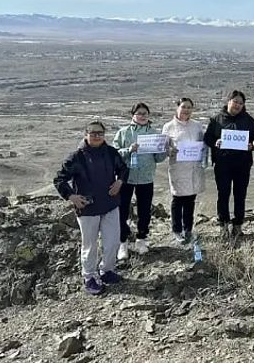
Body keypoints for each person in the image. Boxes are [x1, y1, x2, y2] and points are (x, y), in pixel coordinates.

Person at [53, 121, 128, 295]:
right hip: (87, 209)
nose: (96, 136)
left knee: (112, 242)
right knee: (90, 245)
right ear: (86, 134)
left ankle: (107, 271)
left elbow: (123, 169)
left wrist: (119, 181)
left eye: (100, 133)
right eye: (93, 133)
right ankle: (90, 277)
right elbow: (59, 179)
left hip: (110, 204)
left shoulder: (111, 152)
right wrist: (71, 196)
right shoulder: (76, 157)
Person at [111, 103, 167, 257]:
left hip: (146, 177)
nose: (142, 116)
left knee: (144, 210)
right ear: (133, 115)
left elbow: (158, 158)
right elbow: (114, 155)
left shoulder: (153, 133)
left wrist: (165, 151)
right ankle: (123, 242)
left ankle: (141, 238)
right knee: (122, 210)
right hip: (125, 178)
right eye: (139, 113)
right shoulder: (123, 133)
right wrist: (128, 150)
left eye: (145, 113)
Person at [203, 90, 254, 236]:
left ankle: (238, 224)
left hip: (243, 164)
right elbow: (207, 138)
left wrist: (252, 145)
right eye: (235, 102)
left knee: (240, 194)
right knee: (223, 193)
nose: (238, 105)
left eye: (241, 103)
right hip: (222, 163)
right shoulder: (216, 120)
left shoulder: (249, 121)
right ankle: (224, 224)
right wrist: (216, 142)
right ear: (228, 101)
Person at [162, 98, 206, 243]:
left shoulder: (197, 126)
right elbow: (162, 149)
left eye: (189, 107)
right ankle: (176, 230)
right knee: (177, 199)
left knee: (190, 200)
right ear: (177, 108)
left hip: (193, 168)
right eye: (183, 107)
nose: (186, 110)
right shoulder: (168, 127)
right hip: (178, 168)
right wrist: (169, 151)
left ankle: (188, 230)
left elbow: (202, 144)